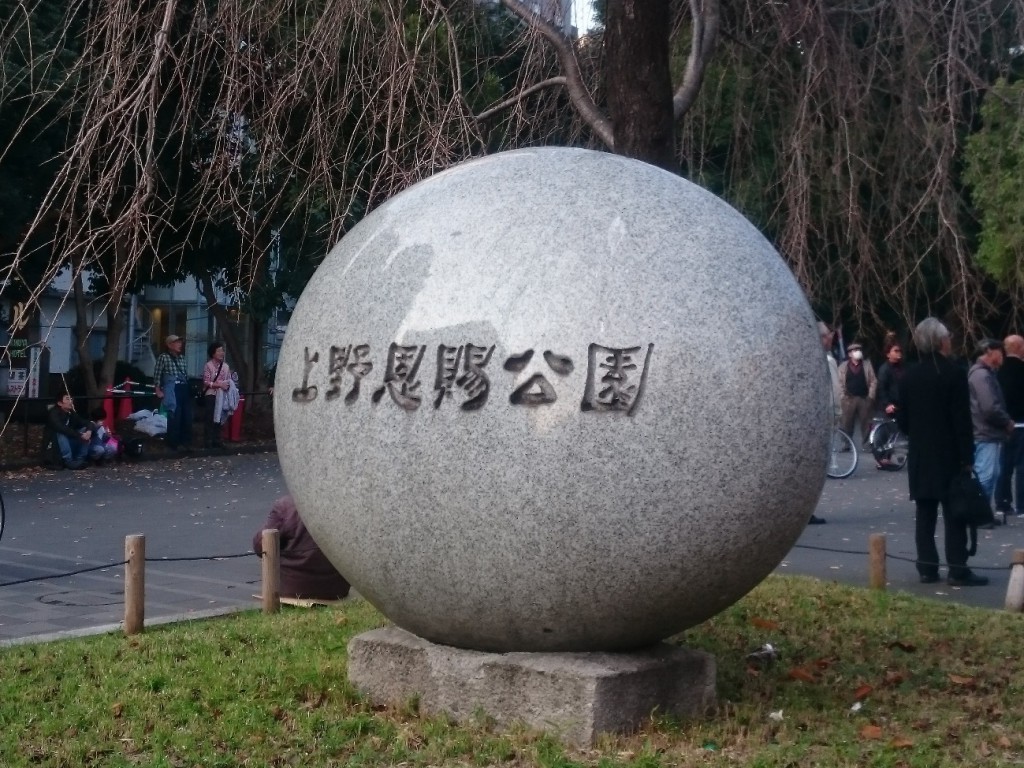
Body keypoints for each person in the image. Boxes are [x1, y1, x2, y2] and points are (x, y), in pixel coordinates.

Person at [897, 318, 986, 586]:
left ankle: (927, 567)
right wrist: (967, 458)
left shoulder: (909, 375)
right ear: (941, 341)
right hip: (949, 454)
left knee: (925, 512)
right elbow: (962, 420)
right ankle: (957, 568)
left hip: (921, 454)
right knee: (953, 512)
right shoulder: (954, 373)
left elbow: (903, 420)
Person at [252, 495, 351, 600]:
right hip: (336, 589)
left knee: (269, 548)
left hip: (294, 589)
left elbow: (260, 546)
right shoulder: (342, 502)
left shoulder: (287, 505)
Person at [967, 338, 1013, 512]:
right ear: (989, 352)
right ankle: (979, 512)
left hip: (986, 431)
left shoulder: (983, 374)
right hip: (986, 432)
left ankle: (982, 512)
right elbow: (989, 407)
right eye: (1000, 352)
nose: (1003, 356)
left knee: (989, 474)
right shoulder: (982, 375)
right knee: (986, 475)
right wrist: (1006, 421)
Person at [810, 321, 841, 525]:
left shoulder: (808, 359)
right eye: (828, 336)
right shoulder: (827, 360)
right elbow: (834, 393)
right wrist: (837, 413)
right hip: (825, 418)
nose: (830, 339)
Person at [995, 335, 1024, 517]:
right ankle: (1022, 505)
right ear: (1020, 347)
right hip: (1022, 422)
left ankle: (1002, 503)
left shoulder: (998, 371)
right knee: (1022, 466)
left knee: (1003, 466)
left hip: (1003, 424)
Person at [153, 334, 193, 452]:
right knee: (175, 414)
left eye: (180, 342)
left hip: (184, 387)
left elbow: (186, 374)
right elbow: (157, 374)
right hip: (172, 388)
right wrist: (158, 389)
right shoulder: (163, 357)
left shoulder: (182, 358)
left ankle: (186, 442)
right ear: (170, 345)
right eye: (177, 342)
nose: (180, 344)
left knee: (187, 416)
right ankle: (173, 443)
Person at [837, 341, 877, 449]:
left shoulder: (867, 365)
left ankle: (867, 444)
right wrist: (842, 396)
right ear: (849, 354)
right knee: (846, 422)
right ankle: (846, 444)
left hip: (864, 398)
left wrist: (871, 396)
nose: (858, 352)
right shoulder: (843, 366)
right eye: (855, 350)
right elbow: (839, 382)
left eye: (859, 350)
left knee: (866, 422)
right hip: (848, 399)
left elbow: (873, 381)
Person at [873, 340, 906, 468]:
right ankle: (882, 458)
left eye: (900, 351)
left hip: (900, 404)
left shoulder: (902, 368)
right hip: (888, 405)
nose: (899, 354)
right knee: (885, 432)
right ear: (888, 354)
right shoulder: (884, 369)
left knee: (896, 431)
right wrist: (887, 404)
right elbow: (881, 388)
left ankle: (889, 456)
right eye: (895, 351)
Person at [45, 393, 93, 469]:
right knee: (61, 433)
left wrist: (88, 431)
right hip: (55, 445)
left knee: (84, 429)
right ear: (60, 403)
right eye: (67, 399)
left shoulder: (71, 413)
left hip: (69, 441)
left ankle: (80, 458)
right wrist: (80, 435)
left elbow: (86, 422)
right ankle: (68, 461)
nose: (71, 401)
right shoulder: (53, 413)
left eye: (71, 399)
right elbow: (61, 428)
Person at [202, 342, 232, 449]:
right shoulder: (208, 365)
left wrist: (226, 386)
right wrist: (219, 384)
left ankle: (217, 439)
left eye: (222, 350)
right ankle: (208, 441)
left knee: (220, 417)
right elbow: (206, 381)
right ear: (213, 353)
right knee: (210, 417)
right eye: (219, 351)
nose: (221, 353)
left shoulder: (226, 366)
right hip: (211, 394)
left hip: (222, 395)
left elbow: (229, 380)